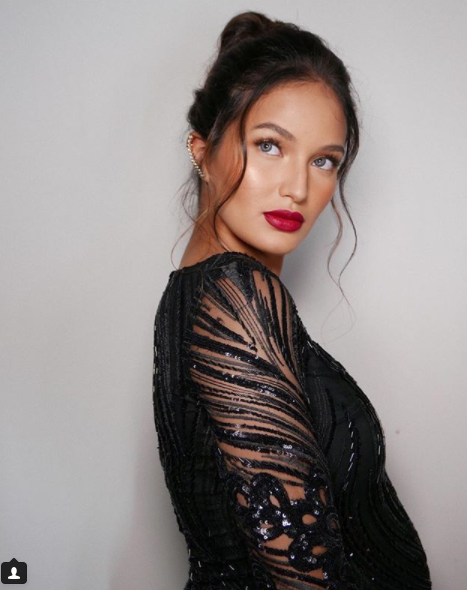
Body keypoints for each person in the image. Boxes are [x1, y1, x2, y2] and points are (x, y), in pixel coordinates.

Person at [153, 10, 431, 590]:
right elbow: (305, 576)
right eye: (269, 145)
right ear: (202, 150)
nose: (299, 188)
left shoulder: (201, 292)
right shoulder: (235, 295)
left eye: (324, 160)